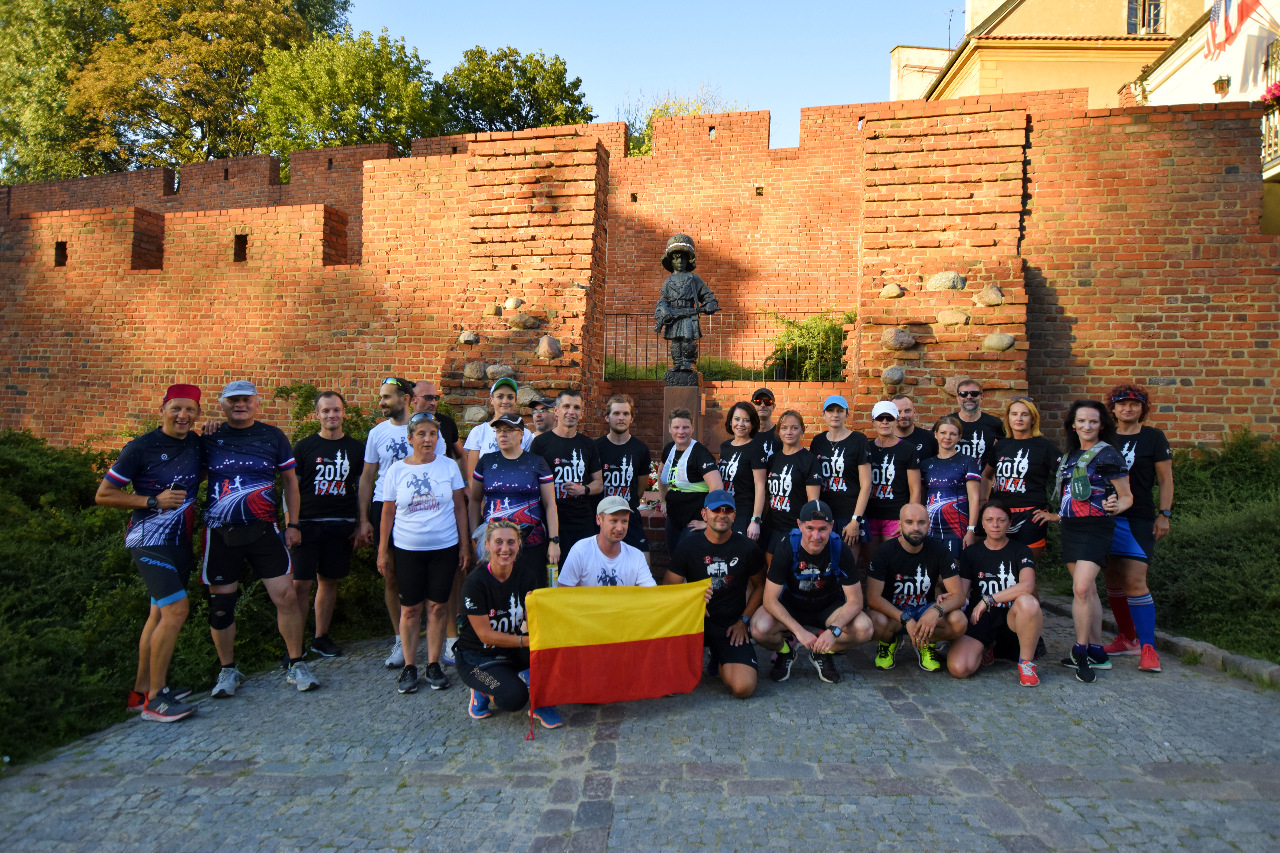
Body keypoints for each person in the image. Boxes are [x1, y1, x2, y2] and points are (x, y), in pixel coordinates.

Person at [201, 381, 318, 696]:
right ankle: (227, 671)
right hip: (220, 531)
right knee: (221, 605)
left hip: (264, 529)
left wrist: (293, 524)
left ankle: (296, 662)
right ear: (222, 405)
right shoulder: (209, 437)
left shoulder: (273, 435)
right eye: (233, 400)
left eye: (246, 399)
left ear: (256, 403)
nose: (240, 404)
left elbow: (290, 482)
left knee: (287, 597)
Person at [95, 384, 204, 722]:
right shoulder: (140, 447)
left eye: (190, 409)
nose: (182, 415)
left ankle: (139, 692)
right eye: (176, 408)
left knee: (158, 615)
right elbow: (104, 494)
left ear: (197, 414)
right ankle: (156, 701)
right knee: (176, 611)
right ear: (162, 410)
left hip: (179, 540)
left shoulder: (196, 442)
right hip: (148, 539)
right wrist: (152, 501)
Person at [1035, 400, 1133, 684]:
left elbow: (1127, 496)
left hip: (1096, 527)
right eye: (1081, 421)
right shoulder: (1069, 457)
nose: (1087, 426)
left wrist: (1117, 505)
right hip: (1071, 528)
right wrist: (1056, 516)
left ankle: (1080, 650)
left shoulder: (1109, 454)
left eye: (1093, 421)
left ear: (1101, 425)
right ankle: (1097, 651)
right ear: (1073, 425)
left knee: (1080, 588)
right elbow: (1071, 495)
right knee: (1087, 591)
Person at [378, 413, 469, 694]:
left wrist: (465, 544)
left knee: (438, 607)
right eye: (421, 434)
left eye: (433, 434)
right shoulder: (396, 470)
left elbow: (460, 507)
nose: (428, 439)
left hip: (444, 546)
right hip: (408, 549)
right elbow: (387, 512)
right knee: (410, 610)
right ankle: (409, 667)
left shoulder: (448, 466)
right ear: (410, 438)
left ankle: (433, 664)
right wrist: (382, 550)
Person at [750, 500, 873, 684]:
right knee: (759, 628)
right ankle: (786, 651)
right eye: (810, 528)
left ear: (831, 526)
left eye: (822, 529)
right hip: (793, 605)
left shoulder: (840, 548)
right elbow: (769, 600)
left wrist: (833, 632)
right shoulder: (786, 546)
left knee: (865, 629)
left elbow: (856, 601)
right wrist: (799, 632)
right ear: (799, 525)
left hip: (828, 607)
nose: (816, 536)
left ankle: (822, 652)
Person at [456, 521, 563, 729]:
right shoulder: (475, 582)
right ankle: (482, 689)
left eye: (511, 542)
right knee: (513, 698)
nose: (505, 548)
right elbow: (485, 635)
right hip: (476, 659)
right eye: (498, 542)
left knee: (553, 652)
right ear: (487, 545)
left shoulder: (526, 575)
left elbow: (533, 620)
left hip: (509, 652)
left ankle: (542, 704)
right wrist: (528, 641)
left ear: (519, 545)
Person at [665, 490, 766, 699]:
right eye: (716, 510)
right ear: (704, 514)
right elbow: (668, 589)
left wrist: (744, 620)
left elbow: (760, 586)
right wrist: (692, 602)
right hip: (695, 621)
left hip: (730, 625)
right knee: (668, 681)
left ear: (735, 515)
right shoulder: (688, 546)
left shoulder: (747, 548)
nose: (722, 514)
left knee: (743, 688)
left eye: (728, 510)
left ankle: (720, 657)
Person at [1102, 384, 1173, 673]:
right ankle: (1126, 638)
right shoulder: (1104, 436)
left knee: (1135, 581)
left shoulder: (1153, 437)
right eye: (1122, 404)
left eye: (1134, 404)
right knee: (1112, 579)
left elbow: (1166, 479)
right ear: (1113, 408)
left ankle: (1148, 647)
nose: (1128, 408)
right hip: (1105, 515)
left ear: (1143, 408)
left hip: (1138, 518)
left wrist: (1164, 514)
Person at [289, 391, 364, 659]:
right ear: (316, 415)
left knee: (329, 581)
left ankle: (320, 638)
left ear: (344, 413)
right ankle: (294, 645)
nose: (332, 415)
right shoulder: (304, 447)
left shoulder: (357, 448)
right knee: (299, 584)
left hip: (340, 524)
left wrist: (361, 523)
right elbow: (291, 488)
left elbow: (362, 489)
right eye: (326, 411)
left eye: (336, 410)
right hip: (306, 524)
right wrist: (290, 524)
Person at [357, 377, 424, 670]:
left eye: (387, 397)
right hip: (385, 507)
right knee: (391, 575)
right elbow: (367, 477)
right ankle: (400, 638)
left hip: (421, 507)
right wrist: (364, 520)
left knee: (426, 571)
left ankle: (436, 636)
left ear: (405, 399)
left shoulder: (425, 428)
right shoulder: (377, 433)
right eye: (381, 397)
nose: (381, 402)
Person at [947, 502, 1043, 687]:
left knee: (1028, 602)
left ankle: (1026, 664)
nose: (995, 525)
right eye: (989, 520)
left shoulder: (1020, 550)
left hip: (1012, 616)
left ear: (1009, 523)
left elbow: (1027, 586)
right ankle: (985, 648)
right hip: (981, 617)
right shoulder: (971, 553)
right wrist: (949, 598)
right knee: (959, 668)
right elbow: (962, 593)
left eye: (1001, 520)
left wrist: (989, 599)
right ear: (982, 523)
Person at [865, 504, 967, 673]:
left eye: (921, 522)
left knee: (959, 621)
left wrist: (935, 611)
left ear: (928, 525)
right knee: (875, 622)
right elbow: (873, 598)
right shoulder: (885, 551)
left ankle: (925, 643)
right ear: (900, 525)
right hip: (893, 613)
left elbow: (959, 596)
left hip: (924, 610)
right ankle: (889, 641)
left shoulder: (939, 550)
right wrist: (905, 618)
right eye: (909, 522)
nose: (915, 528)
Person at [469, 414, 561, 582]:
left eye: (509, 430)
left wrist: (554, 541)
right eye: (498, 430)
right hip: (496, 545)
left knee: (531, 592)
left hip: (531, 542)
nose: (502, 434)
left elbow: (550, 504)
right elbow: (474, 500)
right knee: (497, 591)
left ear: (521, 434)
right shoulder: (486, 461)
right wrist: (475, 536)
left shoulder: (536, 462)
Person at [980, 397, 1061, 562]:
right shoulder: (1001, 446)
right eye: (1014, 414)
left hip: (1031, 516)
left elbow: (1070, 476)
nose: (1019, 418)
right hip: (1001, 516)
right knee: (1001, 568)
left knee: (1025, 568)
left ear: (1033, 419)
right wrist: (984, 502)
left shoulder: (1045, 446)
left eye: (1024, 414)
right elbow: (986, 475)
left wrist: (1058, 514)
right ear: (1008, 418)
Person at [531, 390, 603, 560]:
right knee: (553, 573)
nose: (571, 412)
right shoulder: (540, 443)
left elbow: (599, 484)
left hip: (582, 522)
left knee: (583, 573)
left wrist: (583, 489)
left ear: (582, 413)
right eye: (566, 406)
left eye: (576, 408)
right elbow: (532, 483)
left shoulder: (588, 444)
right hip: (550, 522)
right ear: (556, 411)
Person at [809, 394, 872, 551]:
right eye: (830, 410)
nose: (835, 414)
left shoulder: (858, 440)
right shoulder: (818, 441)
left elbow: (866, 485)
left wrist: (856, 520)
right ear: (823, 415)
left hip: (849, 514)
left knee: (847, 563)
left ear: (847, 414)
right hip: (824, 514)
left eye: (840, 410)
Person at [657, 407, 724, 554]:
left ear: (693, 428)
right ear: (669, 428)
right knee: (674, 559)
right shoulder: (669, 449)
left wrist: (708, 521)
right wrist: (663, 501)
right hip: (674, 517)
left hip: (694, 520)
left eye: (685, 427)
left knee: (688, 560)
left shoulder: (700, 453)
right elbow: (661, 473)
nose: (681, 432)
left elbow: (717, 487)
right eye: (676, 427)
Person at [596, 394, 652, 561]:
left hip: (629, 515)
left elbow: (640, 489)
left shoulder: (640, 449)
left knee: (643, 559)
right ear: (607, 417)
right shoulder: (596, 447)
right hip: (602, 516)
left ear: (631, 418)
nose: (621, 418)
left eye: (626, 414)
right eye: (616, 413)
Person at [762, 409, 823, 559]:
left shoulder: (809, 460)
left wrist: (806, 530)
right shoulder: (773, 459)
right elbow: (766, 494)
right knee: (768, 568)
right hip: (771, 526)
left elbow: (813, 503)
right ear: (778, 432)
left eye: (794, 428)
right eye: (784, 428)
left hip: (795, 528)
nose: (789, 432)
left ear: (802, 430)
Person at [557, 496, 655, 587]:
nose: (619, 528)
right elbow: (563, 592)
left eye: (624, 521)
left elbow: (649, 593)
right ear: (598, 519)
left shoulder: (637, 556)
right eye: (614, 521)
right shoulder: (580, 551)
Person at [920, 415, 981, 557]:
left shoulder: (968, 462)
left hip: (958, 529)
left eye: (953, 434)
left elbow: (974, 498)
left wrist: (971, 529)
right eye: (943, 433)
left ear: (959, 437)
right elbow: (922, 498)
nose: (947, 437)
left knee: (955, 567)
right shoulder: (926, 464)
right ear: (935, 434)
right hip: (931, 529)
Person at [864, 401, 922, 550]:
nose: (885, 422)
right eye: (880, 418)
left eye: (889, 418)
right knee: (872, 561)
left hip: (895, 516)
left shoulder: (908, 449)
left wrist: (909, 519)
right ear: (873, 422)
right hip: (870, 515)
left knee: (894, 559)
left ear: (896, 421)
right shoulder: (866, 448)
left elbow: (915, 489)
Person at [463, 377, 535, 480]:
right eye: (500, 396)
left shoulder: (525, 434)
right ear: (491, 400)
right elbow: (472, 476)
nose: (505, 401)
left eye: (510, 397)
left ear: (516, 401)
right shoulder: (479, 432)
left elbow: (529, 470)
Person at [717, 402, 767, 540]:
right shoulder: (725, 447)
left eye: (746, 420)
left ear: (753, 424)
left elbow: (760, 486)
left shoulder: (756, 449)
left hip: (743, 512)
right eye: (737, 419)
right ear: (730, 421)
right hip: (723, 510)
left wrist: (755, 520)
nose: (741, 424)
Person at [950, 379, 1006, 461]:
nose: (969, 397)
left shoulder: (994, 423)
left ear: (982, 397)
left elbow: (1007, 449)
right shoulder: (947, 422)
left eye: (974, 393)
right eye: (963, 394)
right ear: (958, 398)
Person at [413, 380, 464, 460]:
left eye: (436, 398)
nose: (433, 403)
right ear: (414, 399)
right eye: (428, 398)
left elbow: (460, 455)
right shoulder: (405, 424)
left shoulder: (446, 422)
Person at [892, 394, 938, 459]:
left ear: (914, 412)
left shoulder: (930, 438)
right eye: (898, 412)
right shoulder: (884, 441)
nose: (903, 415)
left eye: (907, 411)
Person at [751, 388, 780, 467]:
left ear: (773, 406)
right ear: (752, 405)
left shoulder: (781, 435)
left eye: (767, 402)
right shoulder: (746, 434)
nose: (763, 405)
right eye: (758, 402)